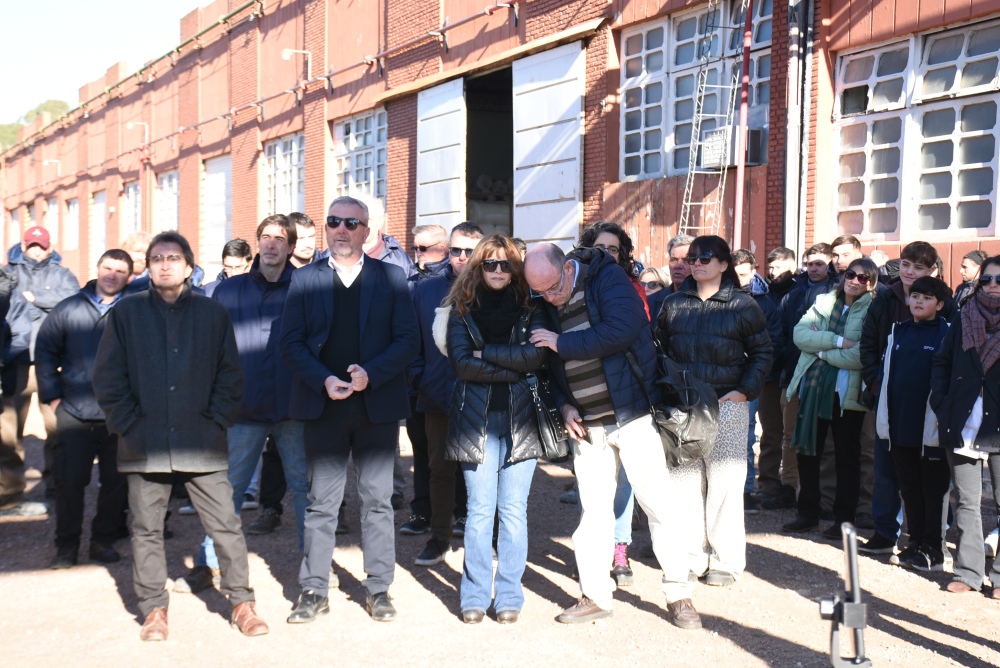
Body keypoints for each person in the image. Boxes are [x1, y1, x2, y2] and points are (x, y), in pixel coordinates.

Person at [93, 231, 267, 641]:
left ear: (189, 266)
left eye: (174, 257)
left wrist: (217, 420)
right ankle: (154, 608)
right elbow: (107, 377)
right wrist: (128, 424)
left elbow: (230, 375)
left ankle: (241, 600)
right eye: (157, 258)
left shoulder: (212, 313)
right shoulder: (126, 314)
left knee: (225, 523)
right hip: (144, 440)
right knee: (146, 528)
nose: (165, 264)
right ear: (148, 266)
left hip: (201, 439)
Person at [525, 243, 701, 630]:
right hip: (587, 423)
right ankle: (594, 595)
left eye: (554, 288)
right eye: (541, 292)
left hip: (633, 412)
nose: (550, 298)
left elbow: (622, 330)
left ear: (567, 269)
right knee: (593, 512)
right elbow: (546, 364)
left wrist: (562, 342)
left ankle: (679, 593)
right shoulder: (543, 296)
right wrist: (564, 405)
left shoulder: (607, 277)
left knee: (658, 504)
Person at [281, 196, 419, 624]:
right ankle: (313, 589)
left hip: (375, 406)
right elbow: (291, 342)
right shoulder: (304, 279)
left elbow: (408, 340)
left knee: (378, 500)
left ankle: (379, 588)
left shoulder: (392, 276)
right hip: (324, 406)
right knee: (322, 503)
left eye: (350, 223)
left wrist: (370, 374)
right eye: (333, 222)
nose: (341, 229)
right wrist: (324, 379)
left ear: (367, 231)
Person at [175, 215, 310, 595]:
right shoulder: (229, 292)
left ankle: (314, 564)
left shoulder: (307, 288)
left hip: (293, 408)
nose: (271, 245)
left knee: (303, 487)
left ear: (290, 246)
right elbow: (209, 348)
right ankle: (208, 564)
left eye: (279, 239)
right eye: (265, 238)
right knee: (228, 490)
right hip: (243, 409)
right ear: (257, 244)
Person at [442, 234, 548, 624]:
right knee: (480, 511)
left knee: (514, 511)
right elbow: (460, 364)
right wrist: (513, 367)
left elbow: (537, 357)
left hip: (522, 419)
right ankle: (473, 595)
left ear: (516, 267)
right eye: (491, 264)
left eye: (506, 264)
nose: (499, 271)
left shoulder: (531, 306)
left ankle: (508, 597)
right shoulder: (461, 308)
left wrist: (486, 353)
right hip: (475, 419)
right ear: (478, 266)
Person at [656, 236, 771, 587]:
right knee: (684, 486)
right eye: (692, 258)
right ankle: (692, 556)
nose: (696, 264)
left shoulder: (743, 305)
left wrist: (743, 392)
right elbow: (656, 350)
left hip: (728, 406)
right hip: (683, 408)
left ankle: (726, 561)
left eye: (705, 257)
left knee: (725, 486)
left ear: (724, 265)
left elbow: (764, 353)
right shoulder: (673, 304)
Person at [35, 250, 132, 567]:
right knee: (70, 483)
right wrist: (52, 397)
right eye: (107, 267)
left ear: (128, 276)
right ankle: (67, 546)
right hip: (74, 412)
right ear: (98, 268)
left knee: (116, 483)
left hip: (118, 415)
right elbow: (46, 351)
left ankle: (102, 541)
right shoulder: (69, 308)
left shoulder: (135, 310)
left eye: (120, 270)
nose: (112, 274)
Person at [859, 241, 954, 555]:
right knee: (886, 469)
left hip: (928, 408)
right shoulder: (884, 297)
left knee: (929, 476)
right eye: (906, 265)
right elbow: (869, 343)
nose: (910, 273)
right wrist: (876, 382)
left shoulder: (945, 306)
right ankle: (886, 532)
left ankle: (928, 540)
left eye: (918, 268)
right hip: (888, 399)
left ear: (932, 272)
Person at [783, 258, 878, 539]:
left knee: (847, 457)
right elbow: (799, 336)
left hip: (845, 394)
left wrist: (820, 351)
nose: (855, 280)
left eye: (864, 278)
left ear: (871, 283)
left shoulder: (872, 308)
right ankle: (808, 513)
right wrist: (836, 342)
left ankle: (843, 520)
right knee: (807, 451)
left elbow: (860, 355)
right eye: (851, 274)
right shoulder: (824, 301)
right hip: (812, 388)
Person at [577, 221, 648, 585]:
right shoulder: (576, 287)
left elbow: (632, 336)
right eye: (599, 248)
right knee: (594, 489)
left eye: (614, 249)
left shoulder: (633, 290)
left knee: (626, 483)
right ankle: (596, 553)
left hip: (628, 400)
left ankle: (620, 548)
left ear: (623, 255)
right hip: (589, 402)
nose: (606, 255)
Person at [406, 223, 482, 562]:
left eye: (469, 251)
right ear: (447, 251)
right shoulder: (425, 291)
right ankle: (438, 539)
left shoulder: (495, 288)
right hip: (436, 394)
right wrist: (420, 377)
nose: (462, 257)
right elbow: (412, 343)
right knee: (440, 470)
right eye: (456, 250)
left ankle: (483, 539)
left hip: (482, 397)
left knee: (481, 471)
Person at [931, 255, 1000, 596]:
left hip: (998, 423)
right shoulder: (964, 316)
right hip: (962, 420)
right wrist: (941, 404)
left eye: (998, 280)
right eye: (986, 280)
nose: (992, 286)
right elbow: (942, 362)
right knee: (967, 501)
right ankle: (969, 572)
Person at [875, 276, 952, 572]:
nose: (919, 301)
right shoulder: (899, 331)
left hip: (930, 431)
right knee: (909, 489)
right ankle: (916, 543)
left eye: (927, 298)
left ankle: (934, 548)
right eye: (915, 296)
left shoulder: (947, 333)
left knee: (933, 492)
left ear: (940, 305)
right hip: (900, 427)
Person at [2, 225, 80, 502]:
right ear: (23, 246)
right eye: (31, 245)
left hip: (54, 361)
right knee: (10, 430)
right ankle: (10, 490)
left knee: (57, 429)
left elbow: (71, 302)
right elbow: (7, 306)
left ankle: (56, 485)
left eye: (41, 245)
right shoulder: (9, 272)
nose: (36, 250)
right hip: (17, 361)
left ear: (49, 247)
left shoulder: (62, 273)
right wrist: (46, 305)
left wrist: (32, 299)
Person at [764, 243, 838, 511]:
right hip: (792, 372)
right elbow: (785, 334)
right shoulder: (793, 295)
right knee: (789, 435)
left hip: (826, 371)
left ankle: (824, 496)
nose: (814, 268)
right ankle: (788, 488)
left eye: (819, 263)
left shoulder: (837, 291)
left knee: (825, 440)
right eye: (810, 264)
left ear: (829, 262)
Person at [731, 249, 783, 515]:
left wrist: (755, 370)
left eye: (743, 274)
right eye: (735, 273)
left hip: (751, 376)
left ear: (753, 270)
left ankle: (746, 490)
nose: (739, 279)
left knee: (748, 432)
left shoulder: (765, 301)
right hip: (724, 373)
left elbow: (772, 340)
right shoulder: (722, 293)